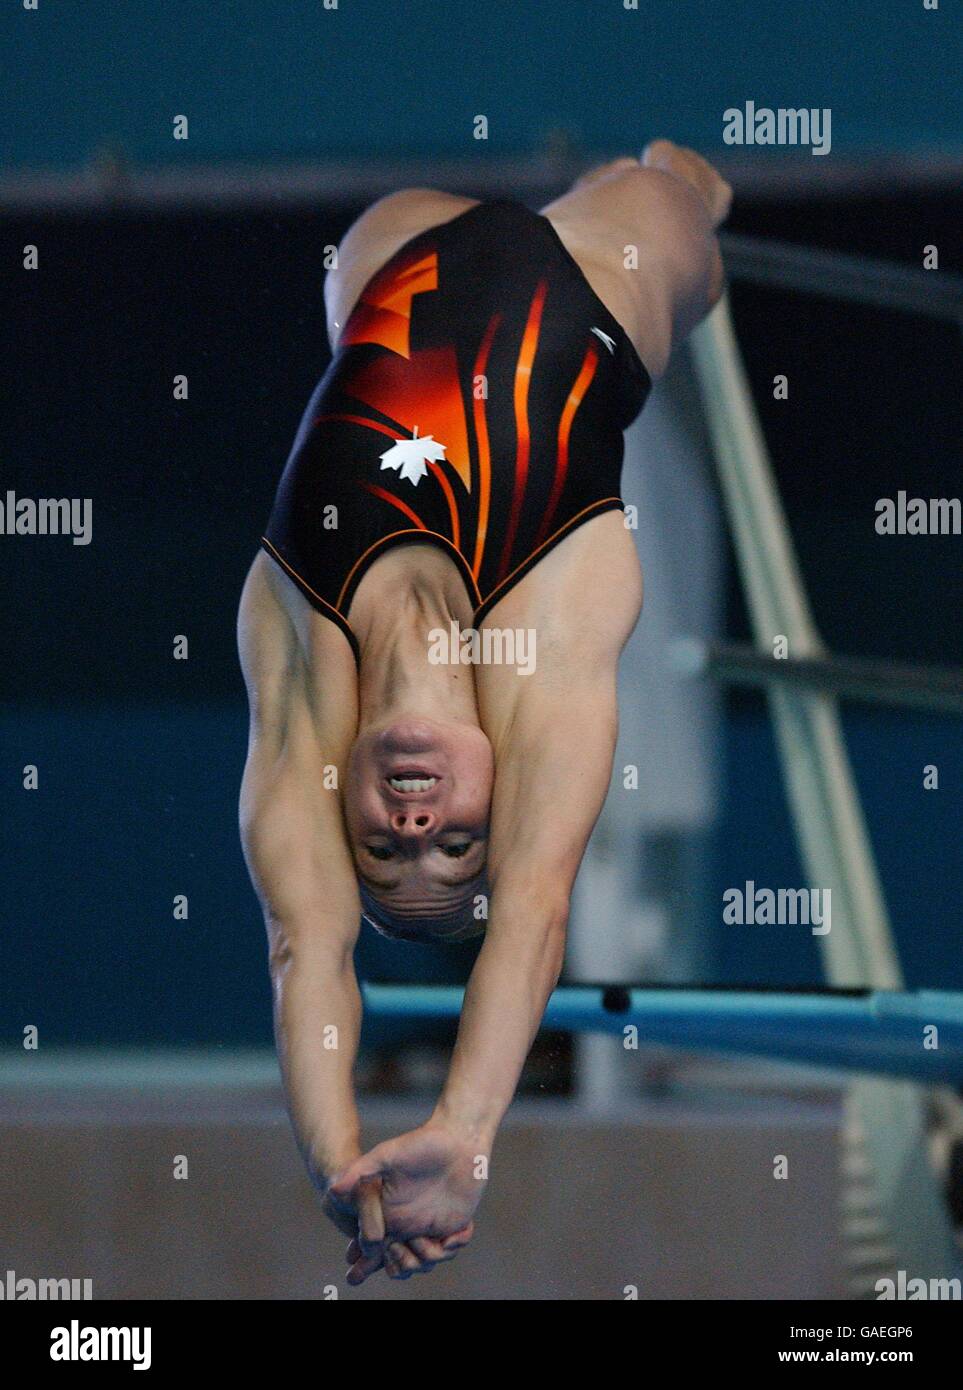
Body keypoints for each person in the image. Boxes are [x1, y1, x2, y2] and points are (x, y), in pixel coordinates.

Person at [238, 140, 732, 1283]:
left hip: (388, 264)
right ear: (495, 791)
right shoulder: (550, 637)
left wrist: (332, 1158)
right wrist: (465, 1128)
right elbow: (534, 914)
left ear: (339, 793)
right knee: (679, 204)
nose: (417, 825)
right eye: (458, 841)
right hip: (591, 279)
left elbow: (305, 942)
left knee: (378, 244)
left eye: (384, 843)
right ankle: (679, 176)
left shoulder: (302, 650)